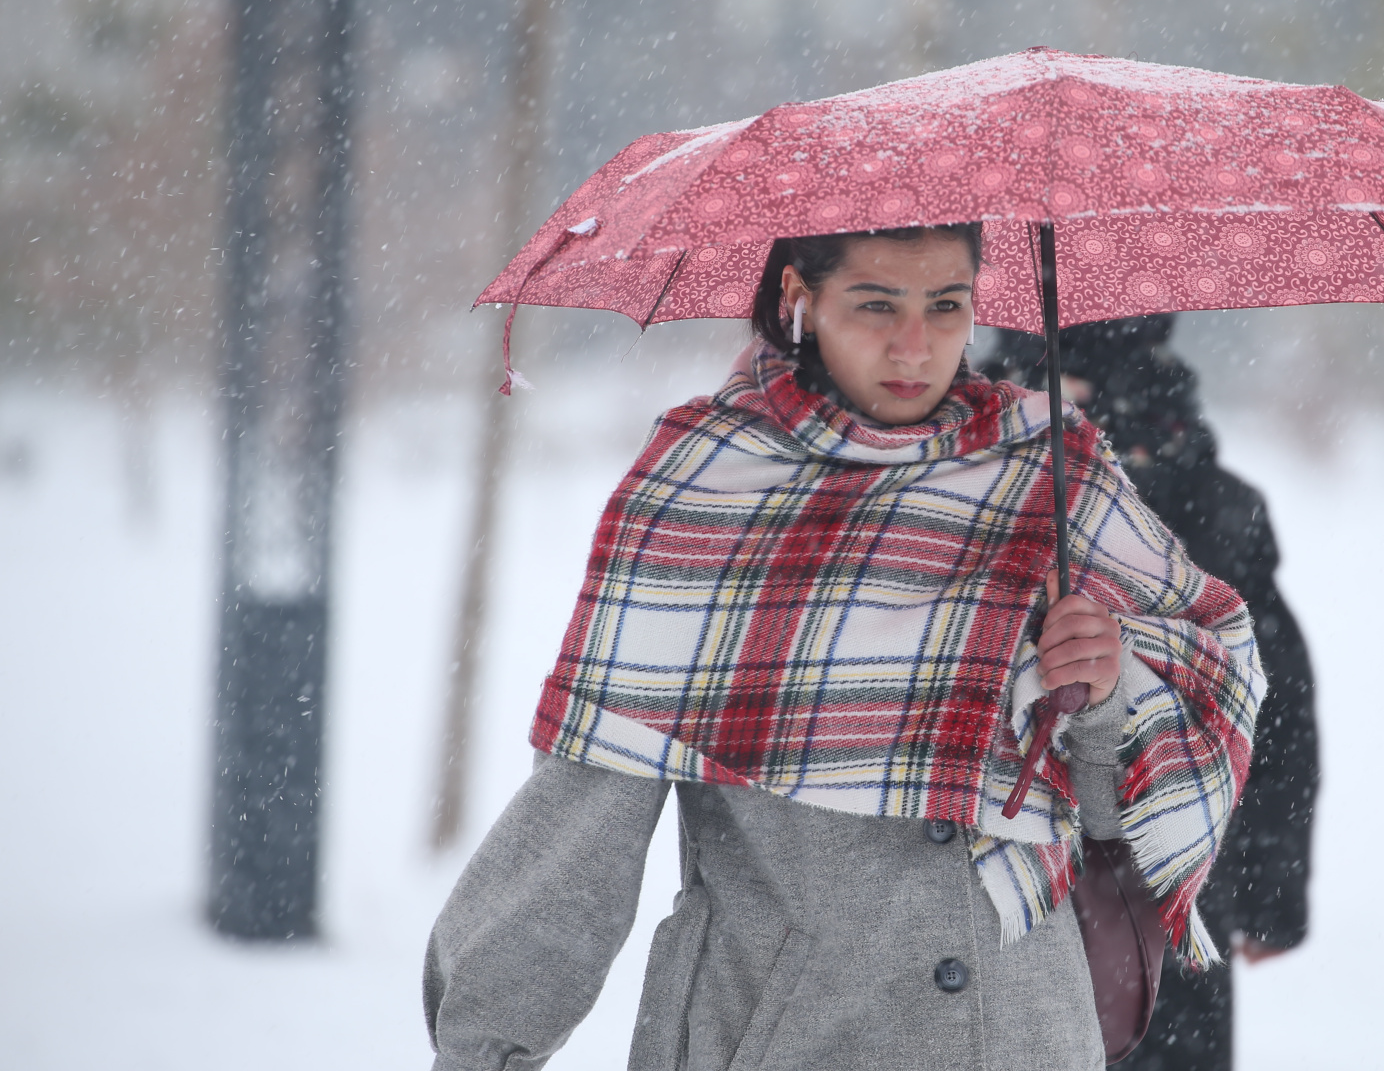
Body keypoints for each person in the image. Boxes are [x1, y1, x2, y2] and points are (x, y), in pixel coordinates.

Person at [423, 225, 1269, 1071]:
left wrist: (1102, 687)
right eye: (877, 304)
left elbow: (1110, 817)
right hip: (783, 1038)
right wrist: (486, 1050)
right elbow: (580, 830)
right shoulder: (702, 487)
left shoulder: (1047, 474)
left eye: (947, 305)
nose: (917, 343)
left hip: (1021, 1036)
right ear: (800, 297)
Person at [990, 317, 1319, 1070]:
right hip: (1035, 851)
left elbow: (1271, 702)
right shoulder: (976, 461)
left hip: (1170, 852)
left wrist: (1270, 894)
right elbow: (1280, 707)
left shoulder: (1203, 501)